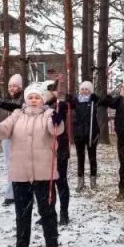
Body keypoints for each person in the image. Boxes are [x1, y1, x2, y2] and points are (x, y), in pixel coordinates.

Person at [0, 81, 65, 247]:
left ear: (42, 99)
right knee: (22, 213)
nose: (34, 100)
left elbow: (55, 130)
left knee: (47, 212)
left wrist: (57, 121)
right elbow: (4, 130)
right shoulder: (17, 115)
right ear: (26, 99)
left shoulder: (49, 114)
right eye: (30, 97)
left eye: (37, 97)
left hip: (44, 172)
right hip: (20, 171)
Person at [0, 74, 26, 206]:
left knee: (21, 165)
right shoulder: (6, 99)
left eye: (14, 86)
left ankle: (23, 192)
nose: (11, 88)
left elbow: (15, 106)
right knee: (9, 165)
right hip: (6, 137)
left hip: (20, 136)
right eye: (9, 86)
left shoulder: (23, 99)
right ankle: (11, 194)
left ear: (20, 87)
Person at [45, 84, 71, 225]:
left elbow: (66, 106)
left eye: (49, 92)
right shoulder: (41, 106)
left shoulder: (59, 105)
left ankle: (64, 213)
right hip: (44, 149)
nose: (46, 94)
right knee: (47, 183)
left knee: (60, 181)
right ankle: (49, 212)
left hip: (59, 148)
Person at [71, 81, 100, 192]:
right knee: (80, 157)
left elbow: (102, 101)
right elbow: (67, 105)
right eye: (82, 89)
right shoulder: (76, 100)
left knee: (92, 157)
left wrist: (95, 98)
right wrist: (68, 99)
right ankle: (80, 181)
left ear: (90, 90)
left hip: (91, 132)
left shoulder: (93, 100)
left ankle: (93, 181)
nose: (84, 91)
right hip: (79, 133)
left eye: (86, 89)